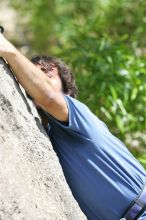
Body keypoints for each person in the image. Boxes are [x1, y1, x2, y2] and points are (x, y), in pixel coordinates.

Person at [0, 32, 146, 220]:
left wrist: (8, 51)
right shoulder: (48, 136)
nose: (35, 82)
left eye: (46, 75)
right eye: (31, 77)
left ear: (66, 87)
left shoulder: (78, 114)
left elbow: (49, 97)